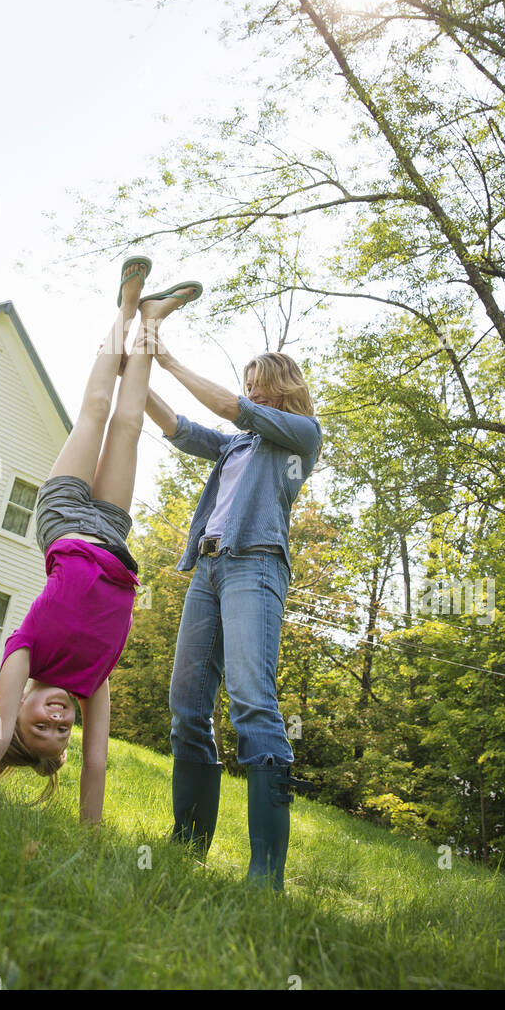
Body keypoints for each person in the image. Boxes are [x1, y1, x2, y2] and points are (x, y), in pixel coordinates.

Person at [0, 256, 202, 825]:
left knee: (93, 410)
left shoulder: (24, 654)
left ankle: (124, 308)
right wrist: (89, 842)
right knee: (129, 421)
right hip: (113, 537)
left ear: (19, 708)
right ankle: (152, 322)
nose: (59, 719)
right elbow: (95, 767)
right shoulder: (95, 685)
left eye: (40, 723)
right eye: (60, 732)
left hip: (64, 522)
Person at [143, 339, 322, 889]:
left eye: (257, 384)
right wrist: (135, 376)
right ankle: (187, 845)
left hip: (256, 565)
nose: (248, 393)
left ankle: (266, 874)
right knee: (188, 704)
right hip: (208, 568)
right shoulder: (236, 446)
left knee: (250, 699)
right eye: (246, 385)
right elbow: (180, 427)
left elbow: (229, 408)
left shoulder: (300, 435)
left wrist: (169, 359)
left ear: (282, 387)